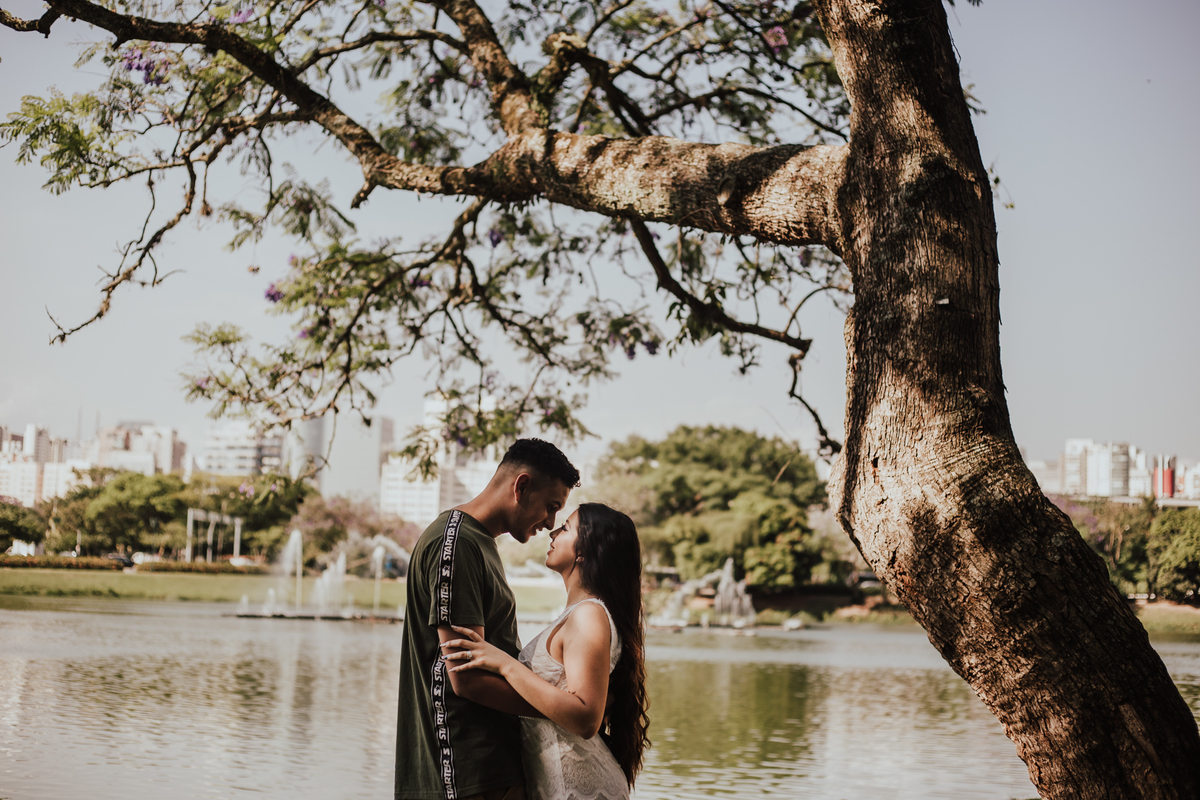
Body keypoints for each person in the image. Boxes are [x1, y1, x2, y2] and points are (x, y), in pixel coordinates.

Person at [395, 438, 580, 800]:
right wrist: (563, 710)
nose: (550, 522)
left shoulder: (478, 542)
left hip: (491, 765)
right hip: (464, 769)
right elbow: (468, 677)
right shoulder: (457, 542)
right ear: (522, 486)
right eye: (551, 506)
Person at [440, 503, 651, 800]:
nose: (552, 532)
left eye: (565, 528)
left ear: (584, 551)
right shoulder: (577, 614)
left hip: (580, 789)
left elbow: (587, 718)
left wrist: (505, 665)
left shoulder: (588, 615)